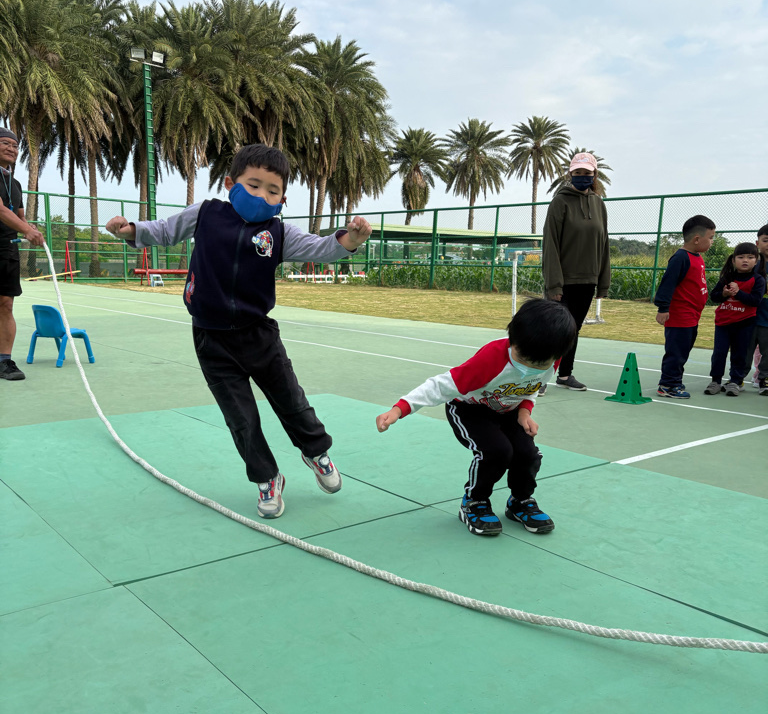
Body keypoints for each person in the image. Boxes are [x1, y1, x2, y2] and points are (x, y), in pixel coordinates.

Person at [106, 143, 372, 518]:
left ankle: (316, 453)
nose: (262, 195)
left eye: (273, 190)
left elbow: (321, 248)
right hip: (211, 339)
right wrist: (129, 230)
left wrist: (351, 240)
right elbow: (164, 231)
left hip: (259, 336)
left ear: (282, 200)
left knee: (292, 402)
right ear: (231, 183)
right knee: (241, 419)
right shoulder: (206, 214)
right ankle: (267, 478)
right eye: (253, 185)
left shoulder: (279, 233)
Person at [375, 298, 577, 537]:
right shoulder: (491, 359)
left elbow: (530, 386)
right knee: (497, 451)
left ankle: (520, 502)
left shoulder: (552, 357)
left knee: (527, 454)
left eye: (539, 363)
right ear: (513, 340)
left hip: (508, 410)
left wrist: (525, 411)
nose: (529, 366)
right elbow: (440, 386)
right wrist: (399, 409)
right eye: (523, 358)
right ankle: (474, 502)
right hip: (469, 409)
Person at [541, 151, 610, 392]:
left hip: (588, 280)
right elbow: (550, 244)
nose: (582, 176)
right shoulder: (560, 202)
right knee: (555, 330)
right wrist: (554, 284)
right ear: (570, 174)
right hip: (563, 281)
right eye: (577, 172)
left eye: (586, 173)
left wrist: (603, 282)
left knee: (573, 330)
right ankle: (539, 379)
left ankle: (564, 375)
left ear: (594, 175)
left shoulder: (599, 204)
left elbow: (604, 244)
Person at [653, 215, 715, 399]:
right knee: (676, 352)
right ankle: (668, 385)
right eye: (710, 237)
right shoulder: (680, 258)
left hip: (692, 316)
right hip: (680, 316)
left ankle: (675, 380)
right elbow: (668, 284)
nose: (712, 242)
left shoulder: (697, 257)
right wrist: (663, 308)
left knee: (684, 351)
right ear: (696, 239)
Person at [0, 128, 45, 381]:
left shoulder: (14, 183)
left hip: (7, 250)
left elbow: (19, 216)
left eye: (15, 146)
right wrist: (26, 230)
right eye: (5, 143)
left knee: (6, 305)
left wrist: (30, 228)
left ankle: (4, 361)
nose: (12, 149)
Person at [704, 243, 766, 396]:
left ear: (756, 261)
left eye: (750, 257)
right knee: (719, 353)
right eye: (741, 257)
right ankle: (715, 381)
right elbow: (714, 296)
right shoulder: (727, 278)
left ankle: (735, 382)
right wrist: (724, 294)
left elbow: (755, 301)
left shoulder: (758, 280)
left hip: (744, 323)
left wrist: (738, 293)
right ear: (733, 260)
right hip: (723, 323)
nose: (745, 260)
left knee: (739, 354)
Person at [748, 225, 768, 392]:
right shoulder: (752, 266)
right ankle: (739, 378)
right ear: (758, 243)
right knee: (749, 349)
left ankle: (763, 377)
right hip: (752, 317)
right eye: (766, 240)